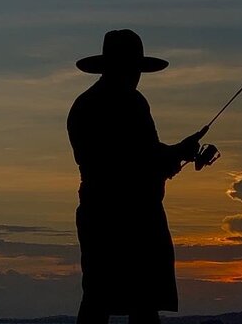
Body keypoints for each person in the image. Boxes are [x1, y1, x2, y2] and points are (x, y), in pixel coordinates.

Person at [67, 29, 208, 324]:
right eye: (134, 69)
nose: (136, 76)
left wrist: (177, 153)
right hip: (136, 218)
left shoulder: (83, 105)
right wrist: (180, 152)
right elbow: (143, 159)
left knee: (97, 298)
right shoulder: (132, 103)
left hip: (96, 213)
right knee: (143, 303)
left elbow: (139, 157)